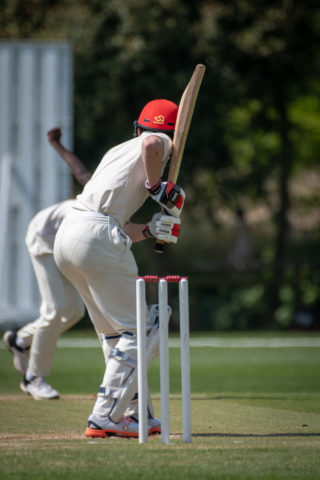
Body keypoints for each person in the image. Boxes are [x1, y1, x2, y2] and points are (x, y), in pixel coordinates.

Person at [53, 99, 185, 438]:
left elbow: (112, 221)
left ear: (136, 126)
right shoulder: (157, 141)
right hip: (95, 236)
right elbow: (155, 143)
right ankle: (104, 417)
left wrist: (149, 229)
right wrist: (158, 187)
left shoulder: (118, 151)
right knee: (142, 329)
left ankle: (136, 413)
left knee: (115, 334)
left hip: (71, 235)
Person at [2, 128, 92, 400]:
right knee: (54, 310)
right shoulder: (99, 198)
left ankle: (20, 340)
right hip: (43, 237)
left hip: (60, 244)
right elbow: (80, 172)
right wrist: (57, 145)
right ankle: (33, 378)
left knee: (74, 311)